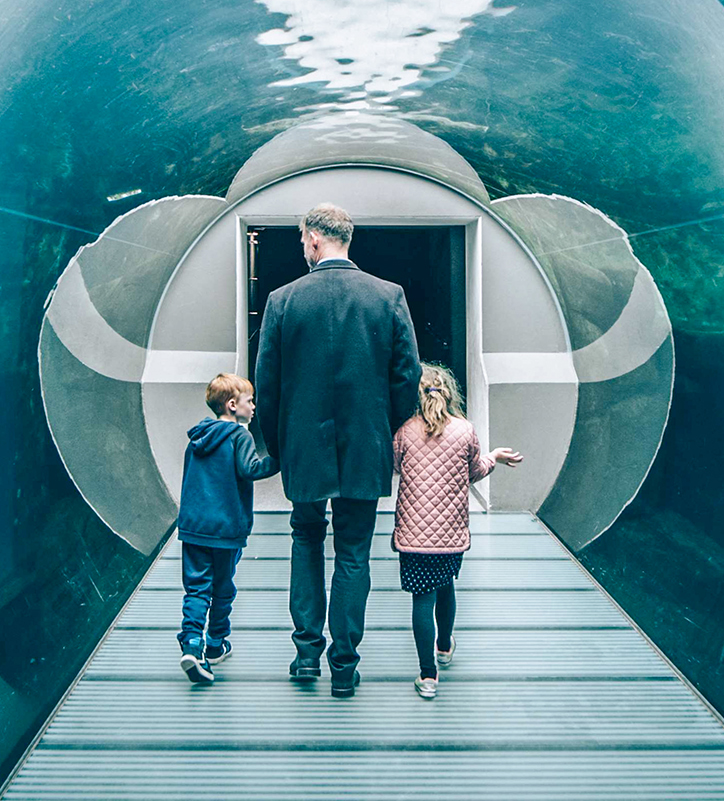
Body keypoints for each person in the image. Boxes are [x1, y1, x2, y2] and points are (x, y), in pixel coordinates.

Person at [255, 203, 422, 698]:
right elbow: (406, 377)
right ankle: (344, 666)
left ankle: (307, 655)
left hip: (304, 448)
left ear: (311, 239)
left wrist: (279, 446)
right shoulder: (388, 296)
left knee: (306, 539)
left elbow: (267, 384)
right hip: (364, 447)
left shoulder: (283, 300)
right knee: (353, 553)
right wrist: (383, 431)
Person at [392, 363, 523, 699]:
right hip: (450, 535)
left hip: (413, 536)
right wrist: (493, 457)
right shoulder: (465, 430)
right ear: (449, 393)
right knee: (445, 585)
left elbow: (394, 467)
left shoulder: (405, 431)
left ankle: (428, 676)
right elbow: (474, 472)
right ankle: (445, 646)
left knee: (422, 599)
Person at [175, 372, 278, 684]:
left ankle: (192, 643)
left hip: (194, 528)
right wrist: (281, 458)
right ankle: (216, 644)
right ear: (233, 405)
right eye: (250, 401)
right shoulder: (239, 436)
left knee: (196, 587)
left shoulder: (197, 438)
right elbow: (251, 470)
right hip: (225, 531)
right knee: (222, 588)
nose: (254, 407)